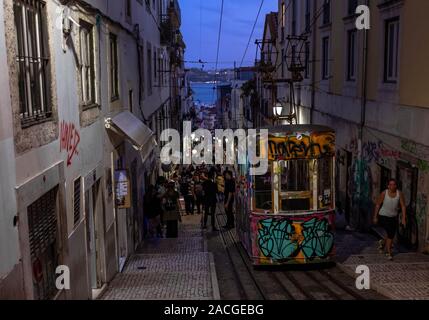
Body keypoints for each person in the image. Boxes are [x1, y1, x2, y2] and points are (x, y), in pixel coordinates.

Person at [373, 179, 407, 260]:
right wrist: (375, 216)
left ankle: (383, 242)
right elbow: (378, 204)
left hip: (393, 217)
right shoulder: (384, 193)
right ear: (388, 186)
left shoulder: (399, 194)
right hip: (383, 216)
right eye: (390, 185)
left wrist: (403, 218)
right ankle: (389, 252)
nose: (392, 186)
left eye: (394, 184)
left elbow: (403, 206)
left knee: (391, 234)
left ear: (396, 186)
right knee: (390, 233)